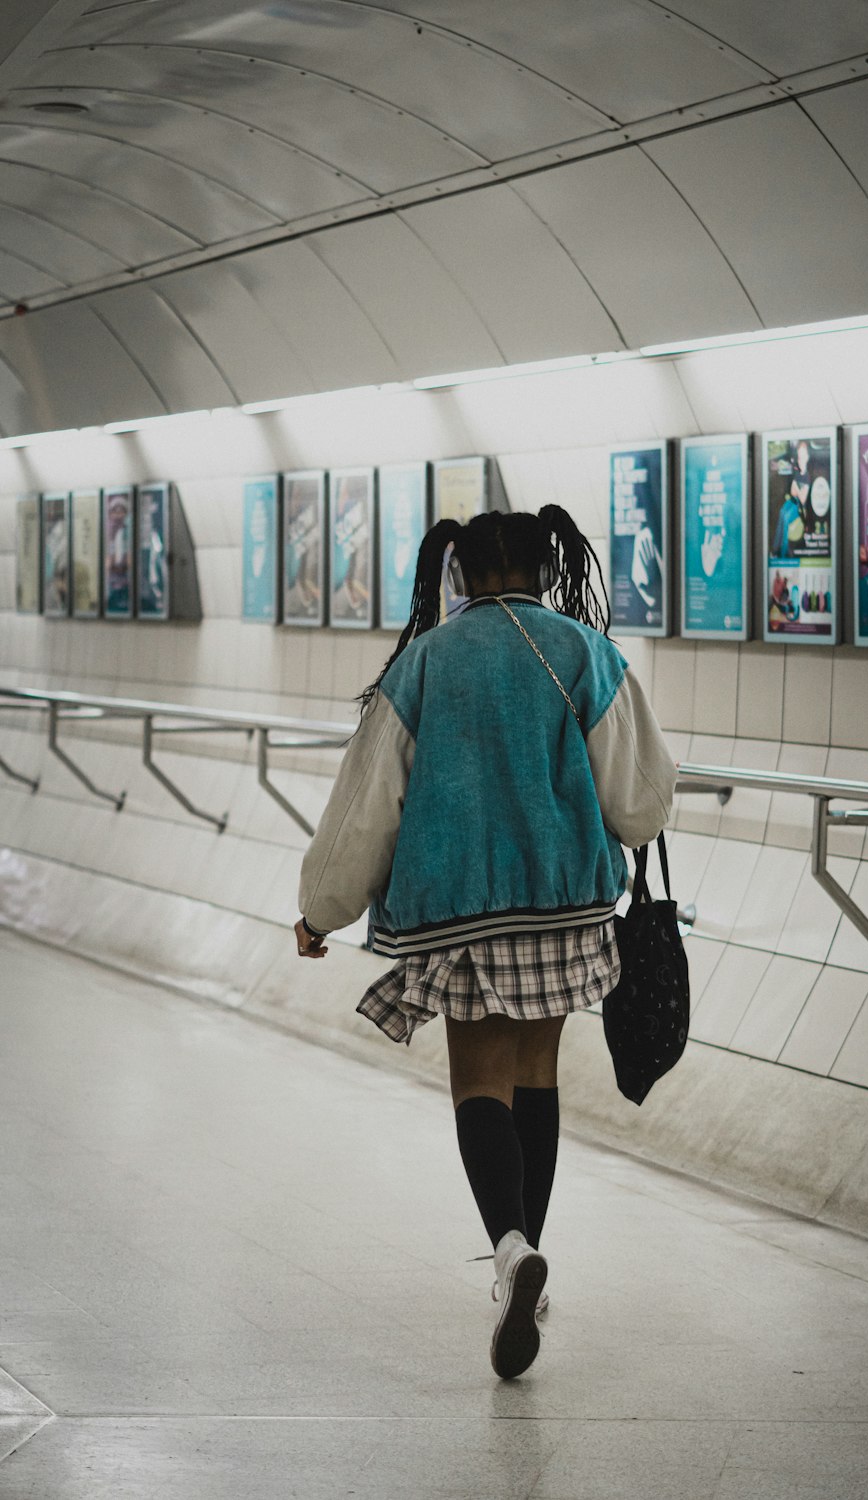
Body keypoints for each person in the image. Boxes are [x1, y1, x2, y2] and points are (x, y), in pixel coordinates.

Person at [294, 506, 677, 1379]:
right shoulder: (584, 652)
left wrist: (322, 910)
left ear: (457, 576)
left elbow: (368, 807)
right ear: (546, 570)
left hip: (463, 915)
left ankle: (510, 1253)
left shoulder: (425, 663)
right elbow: (640, 804)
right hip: (564, 910)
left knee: (479, 1082)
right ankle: (525, 1271)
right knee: (537, 1078)